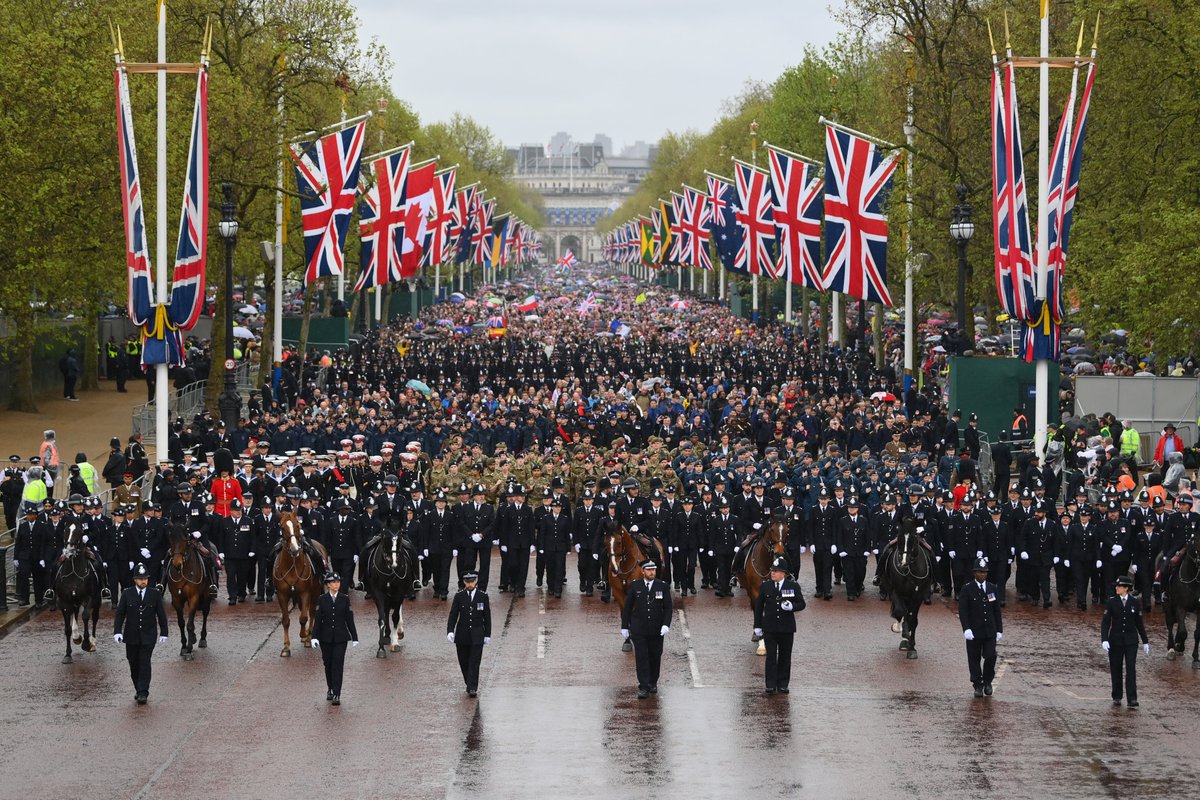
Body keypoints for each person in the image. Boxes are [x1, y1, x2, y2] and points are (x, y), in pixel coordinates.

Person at [112, 563, 169, 705]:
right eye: (140, 578)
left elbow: (161, 615)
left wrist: (164, 632)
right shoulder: (126, 593)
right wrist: (117, 631)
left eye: (145, 578)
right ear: (135, 580)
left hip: (148, 635)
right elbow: (120, 614)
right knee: (133, 663)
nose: (143, 581)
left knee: (144, 662)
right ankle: (138, 688)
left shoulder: (155, 594)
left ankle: (143, 692)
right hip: (131, 636)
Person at [753, 556, 806, 694]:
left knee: (785, 656)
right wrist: (757, 626)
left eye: (776, 571)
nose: (773, 573)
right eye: (772, 571)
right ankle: (770, 684)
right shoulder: (765, 586)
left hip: (786, 628)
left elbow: (802, 603)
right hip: (770, 628)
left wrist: (792, 606)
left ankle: (783, 683)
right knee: (771, 657)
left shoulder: (793, 586)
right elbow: (759, 608)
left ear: (783, 573)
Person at [620, 559, 672, 699]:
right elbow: (628, 608)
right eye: (649, 570)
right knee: (642, 658)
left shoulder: (662, 586)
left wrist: (666, 624)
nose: (652, 572)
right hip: (639, 628)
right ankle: (643, 686)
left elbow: (668, 608)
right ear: (643, 571)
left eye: (653, 570)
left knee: (655, 656)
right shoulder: (635, 586)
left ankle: (653, 682)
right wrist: (625, 626)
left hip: (656, 629)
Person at [1101, 574, 1150, 708]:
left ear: (1126, 588)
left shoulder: (1134, 602)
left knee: (1131, 668)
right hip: (1115, 640)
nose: (1117, 588)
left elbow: (1139, 623)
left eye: (1120, 586)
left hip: (1130, 641)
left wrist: (1145, 641)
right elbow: (1105, 623)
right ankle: (1117, 695)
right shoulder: (1111, 602)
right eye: (1117, 586)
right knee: (1116, 668)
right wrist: (1104, 639)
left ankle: (1132, 698)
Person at [959, 557, 1004, 698]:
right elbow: (963, 612)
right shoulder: (967, 589)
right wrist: (966, 628)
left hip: (989, 630)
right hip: (974, 631)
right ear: (974, 573)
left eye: (984, 572)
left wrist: (999, 630)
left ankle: (988, 681)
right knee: (974, 659)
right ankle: (978, 684)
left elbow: (997, 610)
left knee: (991, 655)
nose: (982, 575)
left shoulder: (992, 588)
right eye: (979, 572)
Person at [312, 571, 358, 705]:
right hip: (325, 638)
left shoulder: (344, 598)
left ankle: (337, 693)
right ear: (328, 585)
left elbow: (350, 620)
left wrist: (354, 637)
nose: (336, 584)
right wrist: (314, 636)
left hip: (340, 638)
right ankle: (330, 688)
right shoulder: (322, 599)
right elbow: (318, 619)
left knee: (338, 665)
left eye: (338, 582)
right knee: (328, 664)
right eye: (333, 582)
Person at [447, 570, 492, 697]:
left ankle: (472, 687)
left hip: (477, 635)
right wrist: (450, 630)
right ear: (464, 582)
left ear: (476, 581)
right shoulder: (459, 596)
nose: (470, 584)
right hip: (462, 635)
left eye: (472, 581)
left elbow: (487, 617)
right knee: (463, 661)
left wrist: (488, 634)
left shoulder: (483, 596)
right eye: (467, 582)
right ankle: (469, 681)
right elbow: (453, 615)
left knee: (475, 661)